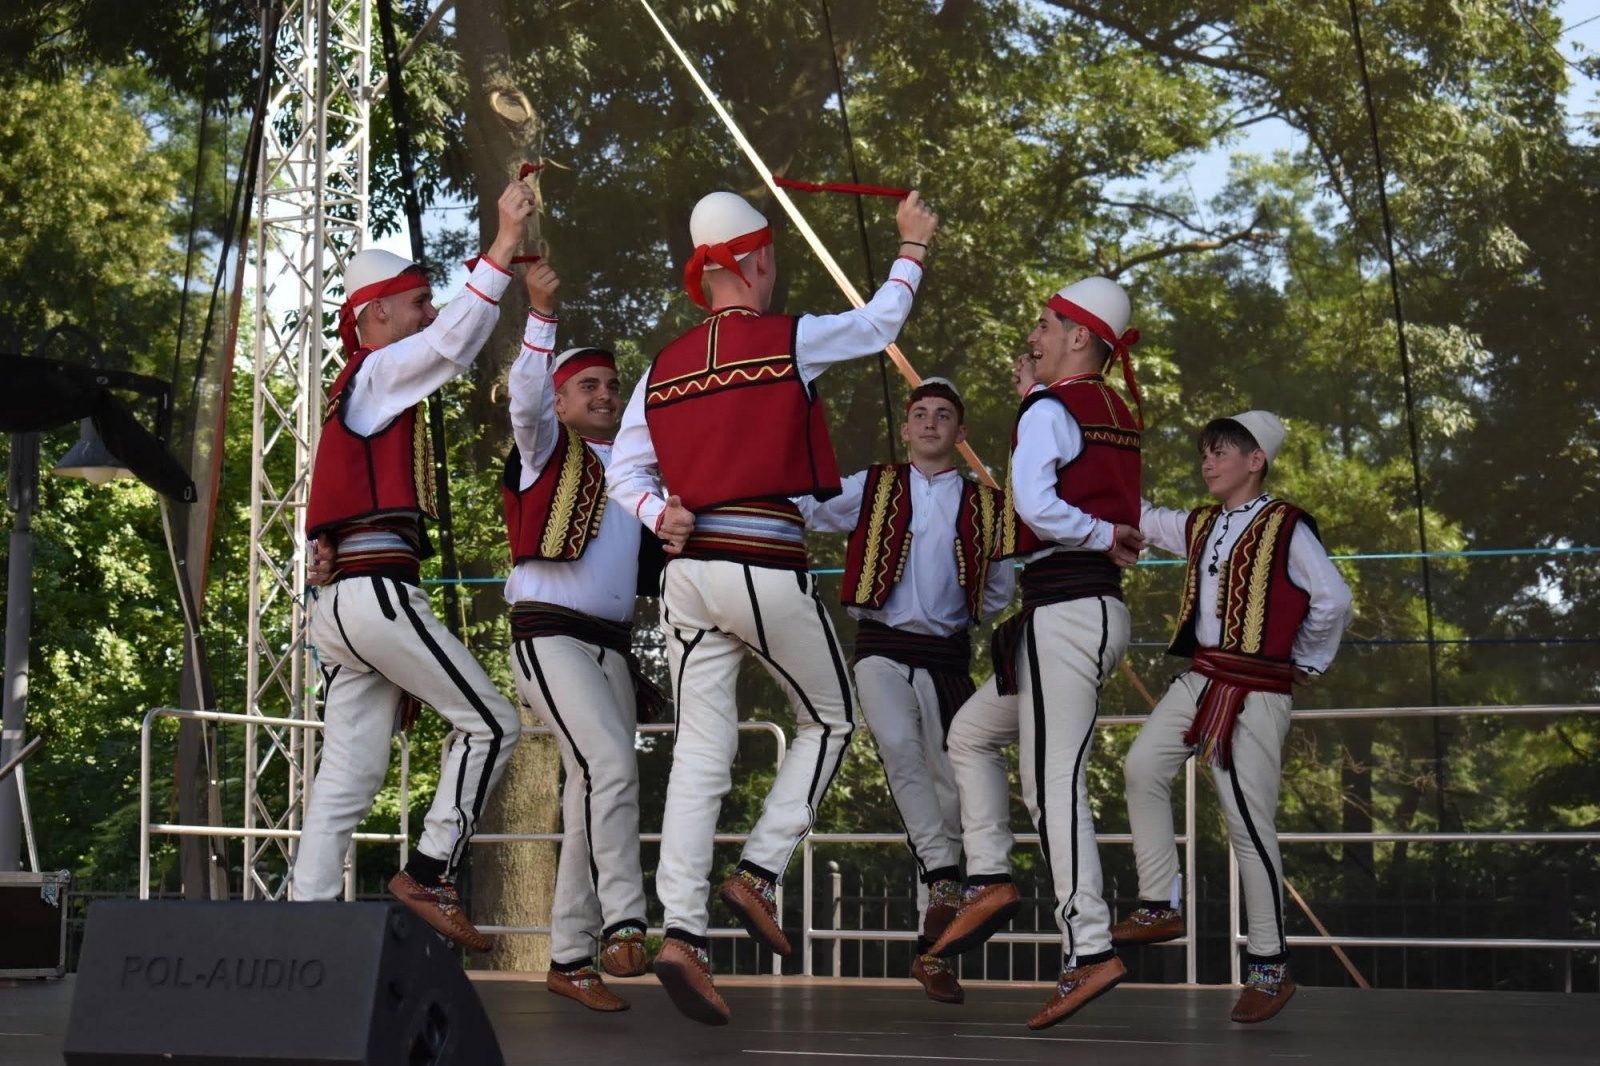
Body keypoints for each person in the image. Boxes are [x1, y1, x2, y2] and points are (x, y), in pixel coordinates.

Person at [605, 188, 939, 1025]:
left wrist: (658, 514)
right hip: (761, 561)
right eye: (773, 260)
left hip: (688, 576)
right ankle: (757, 871)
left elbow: (622, 474)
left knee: (698, 753)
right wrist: (912, 248)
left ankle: (680, 932)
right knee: (830, 720)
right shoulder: (787, 337)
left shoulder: (662, 364)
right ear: (756, 260)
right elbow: (880, 325)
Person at [293, 182, 534, 956]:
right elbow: (453, 342)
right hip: (372, 595)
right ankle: (430, 870)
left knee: (347, 779)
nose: (430, 313)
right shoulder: (377, 370)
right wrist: (499, 244)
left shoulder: (354, 394)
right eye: (419, 300)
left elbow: (335, 501)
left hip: (341, 604)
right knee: (493, 722)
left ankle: (305, 931)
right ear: (375, 318)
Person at [930, 277, 1144, 1031]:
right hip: (1086, 612)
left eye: (1046, 327)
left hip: (1068, 612)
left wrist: (1095, 534)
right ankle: (990, 874)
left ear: (1079, 337)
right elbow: (1098, 492)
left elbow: (1038, 507)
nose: (1035, 337)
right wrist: (1030, 402)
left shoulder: (1055, 410)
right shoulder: (1113, 410)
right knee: (972, 733)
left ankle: (1088, 946)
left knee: (1055, 784)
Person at [1114, 410, 1352, 1024]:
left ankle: (1270, 967)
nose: (1209, 461)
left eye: (1223, 451)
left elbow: (1333, 597)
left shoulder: (1287, 524)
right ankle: (1159, 902)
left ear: (1256, 460)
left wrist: (1304, 662)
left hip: (1259, 688)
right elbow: (1140, 514)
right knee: (1142, 766)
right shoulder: (1200, 525)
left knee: (1247, 822)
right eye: (1206, 452)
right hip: (1204, 674)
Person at [797, 376, 1013, 1004]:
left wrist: (962, 613)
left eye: (943, 415)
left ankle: (935, 950)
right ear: (907, 425)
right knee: (896, 744)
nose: (929, 423)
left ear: (959, 433)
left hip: (946, 653)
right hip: (882, 646)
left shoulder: (987, 504)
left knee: (949, 791)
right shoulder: (874, 484)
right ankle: (946, 877)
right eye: (920, 413)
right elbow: (813, 508)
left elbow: (998, 589)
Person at [501, 260, 668, 1011]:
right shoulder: (544, 450)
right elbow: (525, 397)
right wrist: (541, 313)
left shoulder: (641, 474)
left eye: (611, 386)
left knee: (587, 792)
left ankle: (568, 956)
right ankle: (626, 924)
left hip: (610, 648)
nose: (603, 394)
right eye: (588, 387)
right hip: (549, 636)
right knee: (608, 763)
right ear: (563, 404)